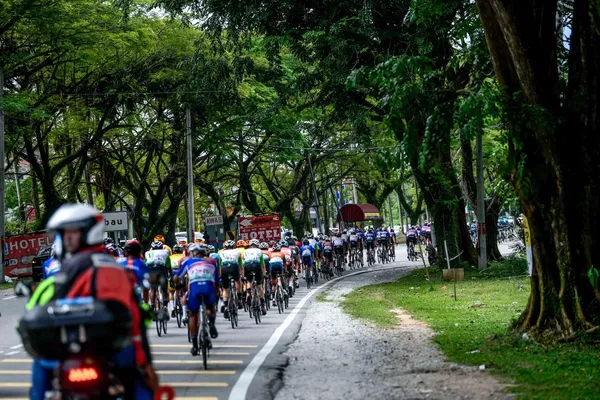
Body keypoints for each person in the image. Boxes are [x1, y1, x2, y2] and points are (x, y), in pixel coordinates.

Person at [26, 203, 157, 400]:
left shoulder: (66, 271)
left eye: (71, 233)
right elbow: (136, 318)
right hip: (114, 351)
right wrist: (145, 364)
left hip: (72, 350)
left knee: (40, 366)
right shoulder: (117, 270)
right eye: (64, 234)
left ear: (89, 231)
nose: (65, 239)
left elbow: (35, 310)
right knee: (141, 387)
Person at [174, 244, 220, 356]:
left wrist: (178, 285)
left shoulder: (188, 262)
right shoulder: (212, 262)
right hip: (208, 288)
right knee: (211, 307)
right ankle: (212, 323)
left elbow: (176, 277)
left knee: (193, 315)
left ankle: (194, 345)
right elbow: (217, 282)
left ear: (193, 253)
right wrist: (216, 294)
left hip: (195, 290)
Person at [144, 241, 172, 321]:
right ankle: (165, 306)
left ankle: (152, 307)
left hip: (151, 273)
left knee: (153, 289)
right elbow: (168, 266)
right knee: (164, 290)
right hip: (161, 272)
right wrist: (171, 277)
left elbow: (145, 265)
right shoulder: (165, 252)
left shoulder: (147, 253)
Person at [219, 240, 243, 319]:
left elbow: (220, 266)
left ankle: (226, 307)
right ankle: (239, 299)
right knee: (238, 281)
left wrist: (220, 276)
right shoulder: (237, 252)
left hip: (224, 268)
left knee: (225, 289)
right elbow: (240, 266)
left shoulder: (221, 253)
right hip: (234, 267)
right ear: (234, 247)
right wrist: (242, 276)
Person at [243, 239, 267, 315]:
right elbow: (262, 264)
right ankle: (262, 306)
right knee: (259, 286)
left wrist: (243, 275)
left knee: (249, 281)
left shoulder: (245, 251)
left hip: (247, 265)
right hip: (256, 265)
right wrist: (264, 274)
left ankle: (248, 292)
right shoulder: (259, 251)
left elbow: (243, 262)